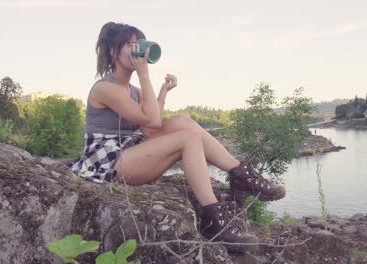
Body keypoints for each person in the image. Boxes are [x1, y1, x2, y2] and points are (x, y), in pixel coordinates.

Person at [69, 22, 286, 253]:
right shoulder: (105, 88)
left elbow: (151, 130)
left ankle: (240, 174)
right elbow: (151, 120)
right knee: (187, 138)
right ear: (113, 52)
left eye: (138, 44)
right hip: (107, 162)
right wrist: (144, 73)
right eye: (131, 45)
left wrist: (162, 92)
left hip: (129, 153)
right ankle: (214, 220)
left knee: (183, 121)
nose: (137, 50)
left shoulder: (133, 91)